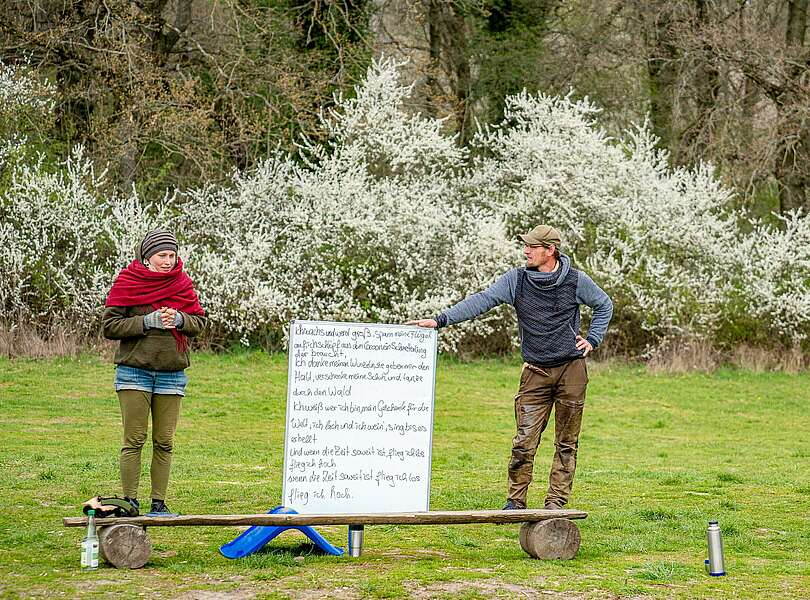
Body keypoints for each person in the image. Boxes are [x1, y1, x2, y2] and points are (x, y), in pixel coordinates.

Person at [409, 225, 612, 510]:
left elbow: (604, 304)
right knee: (523, 443)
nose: (526, 251)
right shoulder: (515, 280)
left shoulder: (577, 281)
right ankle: (515, 503)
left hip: (571, 371)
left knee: (566, 443)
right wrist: (440, 320)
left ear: (549, 250)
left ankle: (555, 504)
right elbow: (482, 300)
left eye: (532, 246)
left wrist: (592, 339)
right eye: (526, 246)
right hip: (535, 373)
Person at [102, 229, 207, 516]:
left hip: (172, 374)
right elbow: (110, 326)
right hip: (134, 372)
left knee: (165, 441)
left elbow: (200, 323)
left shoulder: (183, 284)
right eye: (163, 255)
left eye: (172, 255)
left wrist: (182, 319)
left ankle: (159, 504)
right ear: (147, 257)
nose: (168, 261)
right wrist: (145, 322)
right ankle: (129, 503)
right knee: (134, 439)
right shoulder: (128, 282)